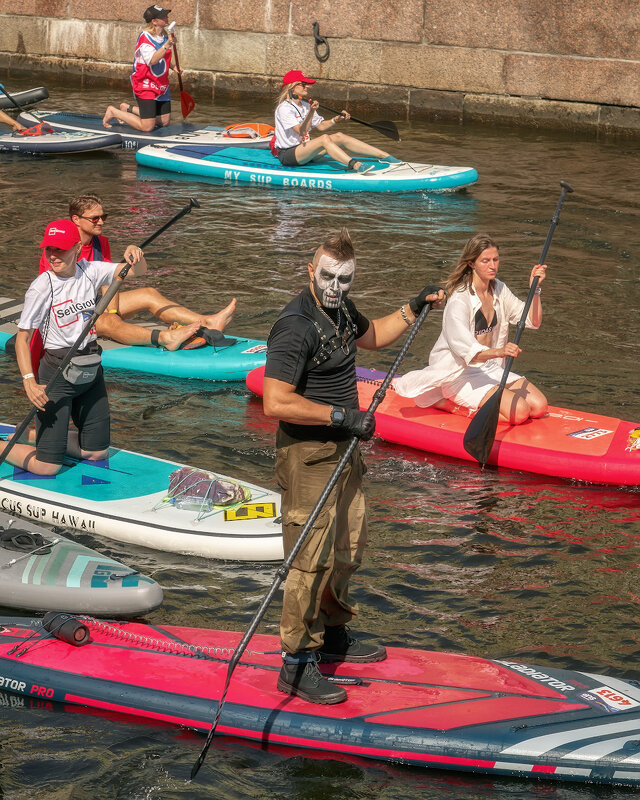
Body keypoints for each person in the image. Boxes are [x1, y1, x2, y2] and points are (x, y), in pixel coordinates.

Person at [262, 228, 445, 704]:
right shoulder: (295, 325)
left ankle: (331, 632)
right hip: (309, 456)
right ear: (310, 270)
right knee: (308, 560)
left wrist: (414, 306)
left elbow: (375, 336)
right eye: (327, 277)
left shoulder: (341, 309)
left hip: (346, 452)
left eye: (344, 279)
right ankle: (297, 664)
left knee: (347, 547)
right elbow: (275, 401)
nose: (334, 287)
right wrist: (343, 415)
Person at [0, 220, 143, 476]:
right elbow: (22, 339)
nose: (53, 256)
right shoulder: (42, 287)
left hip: (90, 370)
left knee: (97, 453)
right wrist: (29, 382)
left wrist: (135, 254)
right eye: (49, 249)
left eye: (61, 249)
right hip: (56, 376)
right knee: (47, 467)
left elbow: (135, 272)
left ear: (77, 248)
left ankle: (36, 435)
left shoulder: (90, 270)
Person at [32, 193, 236, 367]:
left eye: (103, 216)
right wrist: (109, 316)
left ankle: (209, 321)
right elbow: (56, 291)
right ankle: (165, 339)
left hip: (94, 303)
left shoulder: (100, 242)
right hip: (69, 315)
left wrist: (134, 254)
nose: (101, 222)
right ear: (76, 220)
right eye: (95, 218)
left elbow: (109, 280)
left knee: (149, 294)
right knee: (111, 320)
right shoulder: (58, 248)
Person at [394, 233, 548, 425]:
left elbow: (532, 321)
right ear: (471, 263)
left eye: (495, 259)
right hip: (460, 373)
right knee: (520, 413)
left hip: (490, 369)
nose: (492, 265)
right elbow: (465, 350)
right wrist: (500, 351)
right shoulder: (460, 298)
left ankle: (486, 403)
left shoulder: (499, 288)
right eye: (485, 261)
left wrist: (535, 290)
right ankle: (453, 406)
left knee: (539, 406)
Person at [273, 70, 400, 173]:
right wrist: (311, 111)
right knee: (324, 139)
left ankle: (385, 156)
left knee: (339, 136)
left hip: (305, 150)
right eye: (303, 84)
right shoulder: (284, 108)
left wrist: (336, 119)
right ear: (292, 87)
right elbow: (302, 131)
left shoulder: (305, 105)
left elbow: (321, 126)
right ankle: (355, 165)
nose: (307, 87)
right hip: (289, 154)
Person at [102, 5, 180, 131]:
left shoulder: (165, 36)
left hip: (160, 83)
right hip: (145, 83)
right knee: (147, 127)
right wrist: (167, 45)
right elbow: (152, 60)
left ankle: (127, 108)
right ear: (154, 21)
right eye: (163, 16)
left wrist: (173, 67)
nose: (167, 17)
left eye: (166, 14)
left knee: (164, 122)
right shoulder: (145, 38)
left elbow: (163, 58)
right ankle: (113, 111)